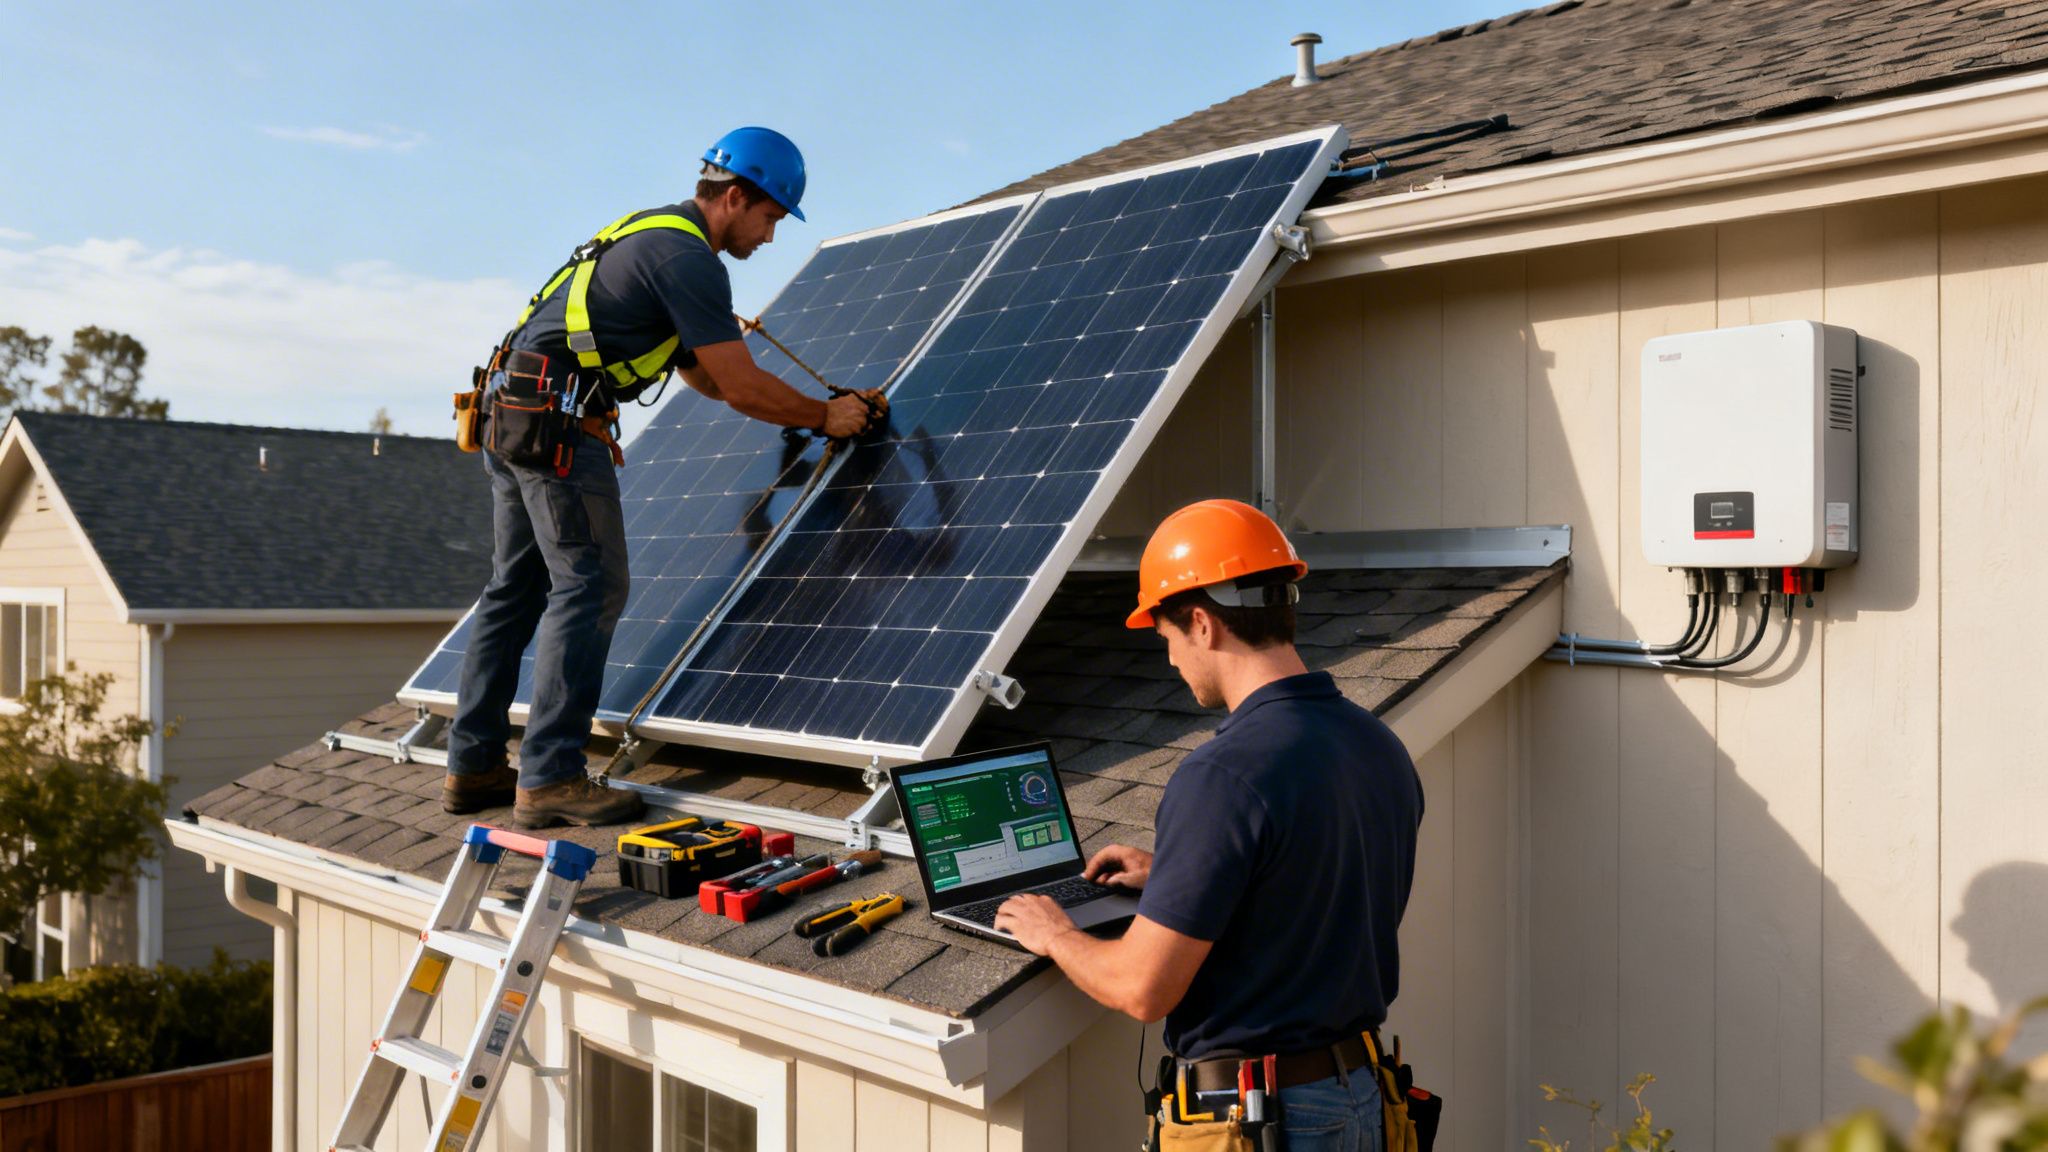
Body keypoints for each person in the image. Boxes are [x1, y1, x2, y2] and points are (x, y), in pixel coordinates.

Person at [442, 126, 878, 828]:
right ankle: (550, 776)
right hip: (558, 427)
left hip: (510, 413)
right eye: (769, 218)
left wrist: (805, 411)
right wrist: (827, 418)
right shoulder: (690, 258)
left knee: (515, 589)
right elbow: (738, 385)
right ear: (735, 198)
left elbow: (705, 376)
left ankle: (473, 767)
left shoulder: (651, 235)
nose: (770, 237)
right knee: (590, 585)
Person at [995, 499, 1424, 1151]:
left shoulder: (1222, 776)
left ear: (1201, 622)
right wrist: (1177, 876)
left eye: (1166, 638)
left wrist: (1054, 932)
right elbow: (1310, 877)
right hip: (1363, 1100)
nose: (1170, 661)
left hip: (1267, 1120)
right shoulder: (1375, 743)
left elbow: (1141, 988)